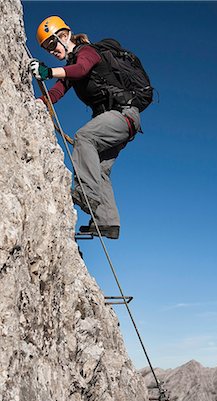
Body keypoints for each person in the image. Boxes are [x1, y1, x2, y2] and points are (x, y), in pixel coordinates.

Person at [29, 16, 141, 239]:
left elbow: (80, 69)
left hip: (122, 115)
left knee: (84, 137)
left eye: (52, 44)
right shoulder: (70, 66)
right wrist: (34, 103)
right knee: (99, 170)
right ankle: (107, 222)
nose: (51, 51)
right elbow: (56, 93)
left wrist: (49, 71)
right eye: (46, 48)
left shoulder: (87, 52)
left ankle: (87, 195)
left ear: (64, 35)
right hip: (117, 121)